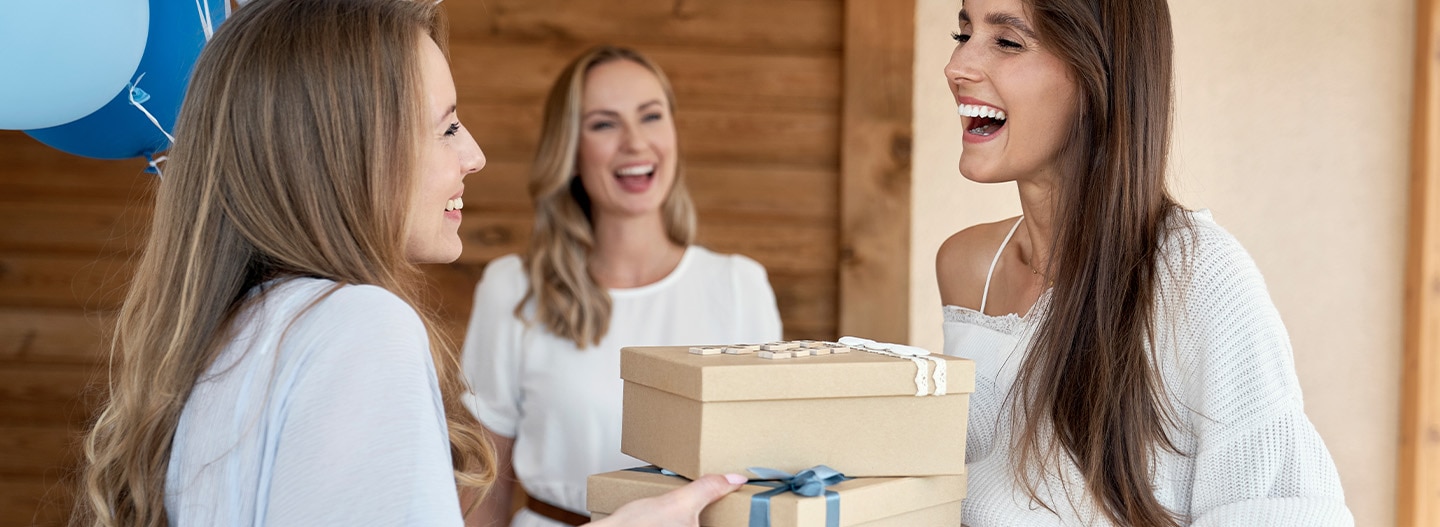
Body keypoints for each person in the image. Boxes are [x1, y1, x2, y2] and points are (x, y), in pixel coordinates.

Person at [71, 1, 745, 526]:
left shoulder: (247, 324)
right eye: (447, 125)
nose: (473, 154)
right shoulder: (360, 327)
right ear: (354, 149)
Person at [935, 0, 1353, 525]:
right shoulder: (968, 267)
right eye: (962, 34)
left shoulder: (1196, 276)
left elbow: (1281, 509)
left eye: (1008, 42)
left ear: (1099, 76)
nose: (956, 68)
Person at [460, 46, 783, 526]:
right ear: (569, 150)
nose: (635, 143)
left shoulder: (738, 286)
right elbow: (484, 482)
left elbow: (768, 471)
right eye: (604, 124)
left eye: (650, 117)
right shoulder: (512, 289)